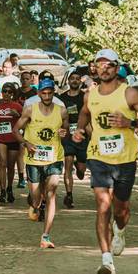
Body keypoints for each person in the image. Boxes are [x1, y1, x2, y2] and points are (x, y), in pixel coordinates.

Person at [73, 49, 138, 274]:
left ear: (117, 67)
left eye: (109, 65)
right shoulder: (90, 95)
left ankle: (119, 229)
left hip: (125, 159)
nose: (104, 69)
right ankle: (106, 260)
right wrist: (80, 130)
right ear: (95, 68)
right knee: (103, 206)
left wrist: (129, 122)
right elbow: (84, 113)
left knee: (121, 210)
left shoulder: (129, 93)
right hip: (98, 156)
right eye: (99, 65)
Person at [14, 78, 69, 248]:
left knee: (51, 192)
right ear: (38, 94)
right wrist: (26, 143)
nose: (46, 96)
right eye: (43, 93)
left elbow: (66, 129)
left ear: (53, 93)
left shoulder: (61, 111)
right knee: (37, 198)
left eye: (49, 93)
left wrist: (64, 132)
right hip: (34, 159)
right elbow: (16, 130)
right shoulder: (30, 110)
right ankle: (35, 205)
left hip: (54, 157)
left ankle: (45, 236)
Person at [0, 82, 23, 203]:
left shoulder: (17, 106)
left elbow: (25, 120)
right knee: (3, 163)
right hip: (0, 138)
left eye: (9, 92)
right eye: (4, 91)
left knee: (11, 166)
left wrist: (17, 115)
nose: (7, 94)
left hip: (13, 139)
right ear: (1, 92)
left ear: (13, 94)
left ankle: (9, 188)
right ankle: (2, 191)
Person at [60, 71, 89, 208]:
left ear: (80, 82)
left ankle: (80, 167)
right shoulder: (61, 98)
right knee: (68, 163)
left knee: (82, 170)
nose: (75, 81)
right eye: (72, 78)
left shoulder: (85, 97)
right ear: (68, 81)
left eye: (78, 79)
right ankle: (69, 195)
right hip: (68, 136)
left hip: (83, 136)